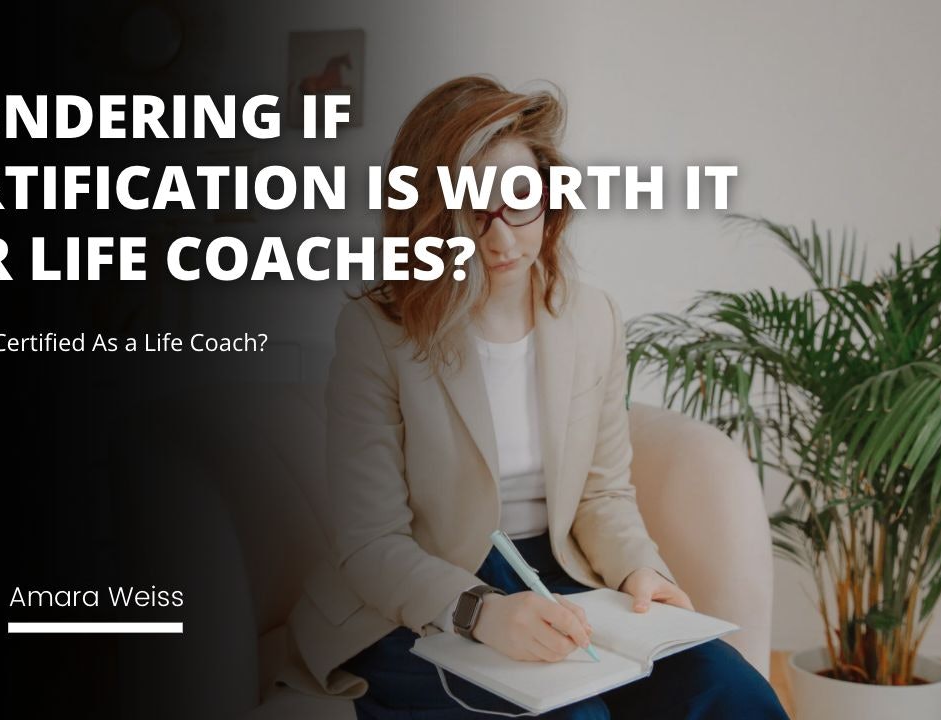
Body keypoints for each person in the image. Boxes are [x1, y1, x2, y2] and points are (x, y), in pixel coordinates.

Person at [276, 75, 789, 719]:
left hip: (559, 573)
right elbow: (371, 543)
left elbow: (603, 492)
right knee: (575, 716)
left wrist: (641, 571)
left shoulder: (592, 317)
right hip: (416, 596)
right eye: (472, 208)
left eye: (520, 200)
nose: (501, 236)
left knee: (734, 693)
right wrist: (481, 611)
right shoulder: (377, 332)